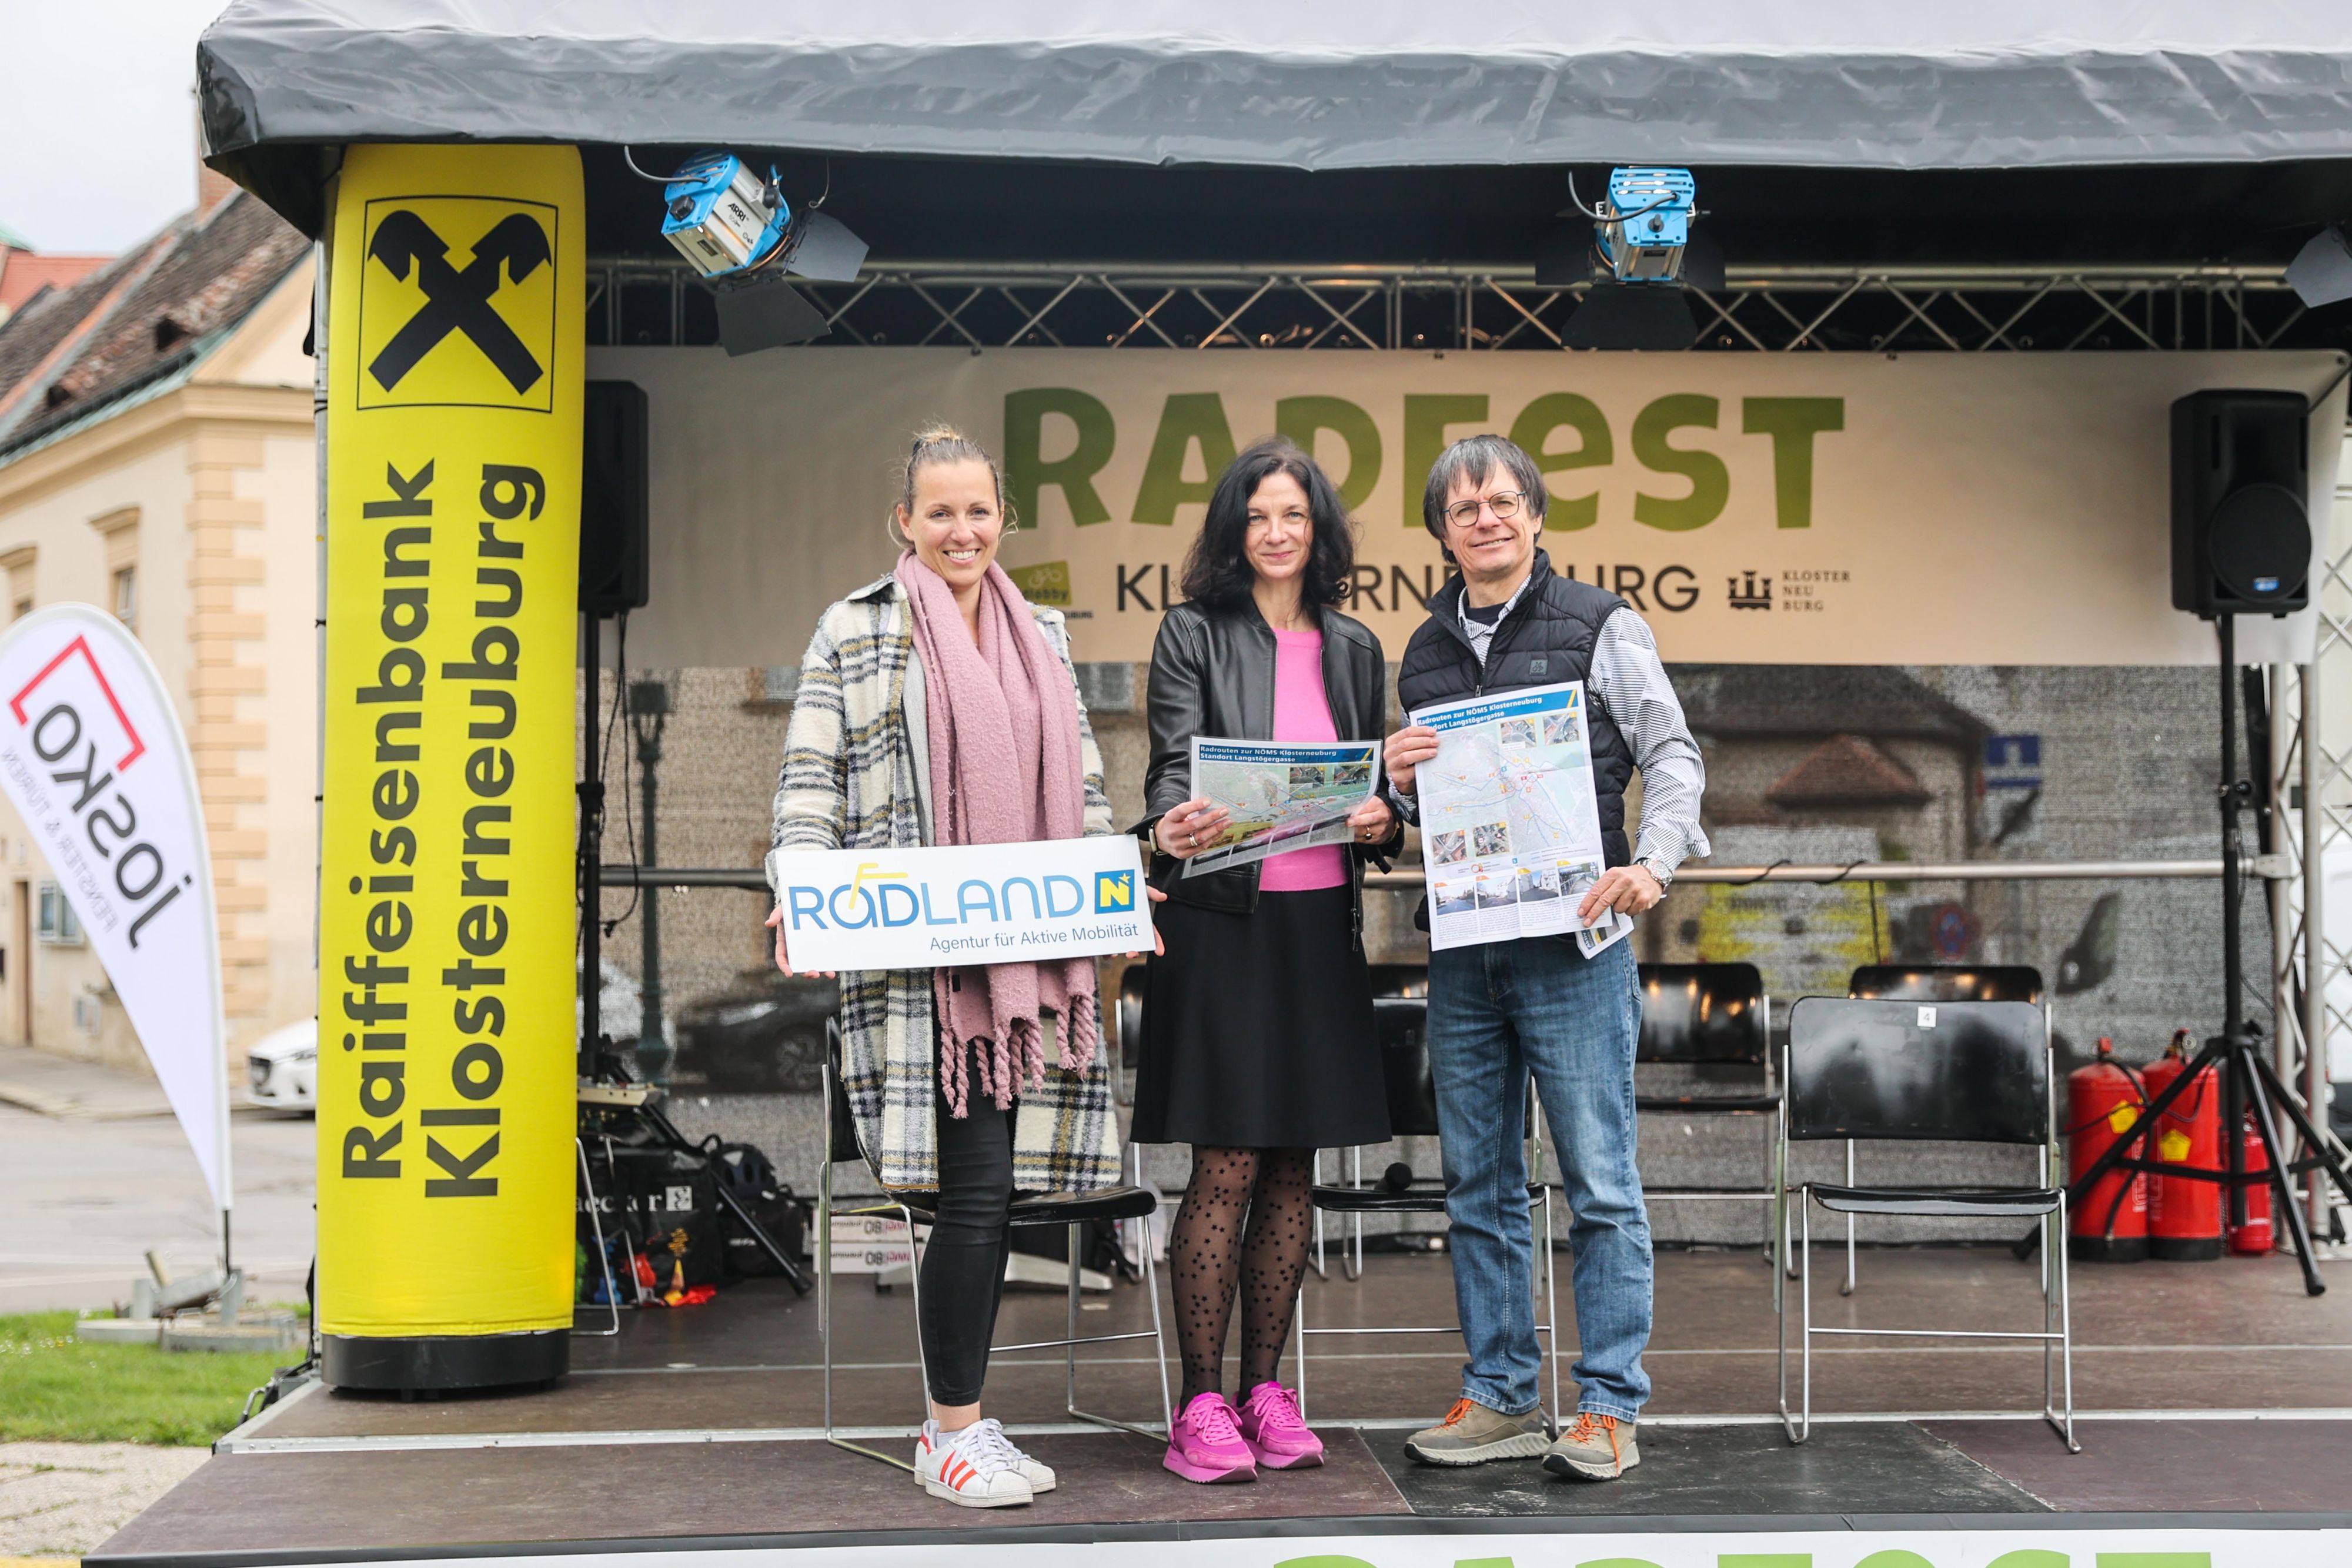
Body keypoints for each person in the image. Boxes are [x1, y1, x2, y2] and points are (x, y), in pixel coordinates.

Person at [767, 425, 1157, 1510]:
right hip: (916, 973)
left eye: (979, 511)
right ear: (905, 522)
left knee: (987, 1194)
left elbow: (1077, 791)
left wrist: (1116, 897)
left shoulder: (1043, 635)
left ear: (1005, 518)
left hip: (1024, 971)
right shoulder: (856, 630)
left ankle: (962, 1419)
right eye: (939, 512)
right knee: (974, 1193)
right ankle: (953, 1430)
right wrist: (798, 894)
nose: (961, 530)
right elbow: (810, 780)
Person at [1382, 433, 1708, 1482]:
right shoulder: (1423, 652)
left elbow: (1671, 752)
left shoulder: (1602, 623)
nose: (1487, 518)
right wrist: (1391, 783)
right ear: (1440, 529)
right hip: (1469, 954)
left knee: (1601, 1182)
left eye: (1505, 500)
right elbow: (1417, 813)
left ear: (1537, 515)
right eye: (1465, 506)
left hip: (1577, 946)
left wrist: (1653, 864)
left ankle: (1609, 1406)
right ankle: (1503, 1396)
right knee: (1477, 1184)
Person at [1134, 437, 1400, 1483]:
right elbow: (1167, 765)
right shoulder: (1192, 632)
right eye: (1257, 517)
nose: (1277, 533)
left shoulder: (1356, 647)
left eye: (1294, 516)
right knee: (1228, 1163)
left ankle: (1267, 1393)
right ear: (1232, 531)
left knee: (1297, 1164)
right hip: (1223, 929)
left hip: (1319, 928)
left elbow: (1372, 793)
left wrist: (1385, 816)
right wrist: (1171, 820)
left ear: (1320, 530)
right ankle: (1198, 1404)